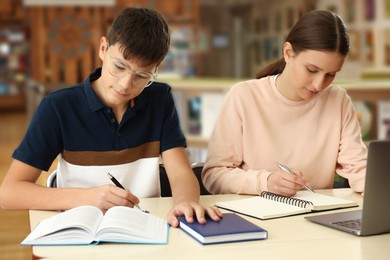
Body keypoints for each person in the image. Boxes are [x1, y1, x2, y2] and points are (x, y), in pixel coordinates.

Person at [0, 7, 222, 227]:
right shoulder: (58, 107)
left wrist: (186, 202)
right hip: (79, 230)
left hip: (144, 227)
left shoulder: (159, 99)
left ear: (156, 69)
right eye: (119, 67)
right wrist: (85, 198)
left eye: (142, 75)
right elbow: (9, 193)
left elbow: (181, 172)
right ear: (103, 48)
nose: (125, 84)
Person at [202, 9, 367, 197]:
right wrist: (266, 183)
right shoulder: (244, 96)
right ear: (288, 53)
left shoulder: (339, 101)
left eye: (331, 74)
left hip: (317, 217)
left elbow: (359, 169)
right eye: (312, 70)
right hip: (255, 217)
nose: (319, 84)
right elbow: (214, 175)